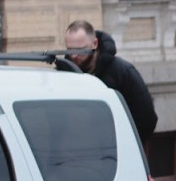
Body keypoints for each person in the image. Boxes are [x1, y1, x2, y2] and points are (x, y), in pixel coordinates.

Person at [64, 19, 157, 151]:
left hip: (118, 152)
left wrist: (126, 148)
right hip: (79, 152)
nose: (74, 55)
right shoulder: (65, 73)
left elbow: (146, 118)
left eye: (80, 50)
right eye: (69, 50)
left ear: (94, 43)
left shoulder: (123, 72)